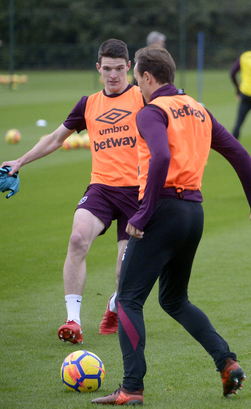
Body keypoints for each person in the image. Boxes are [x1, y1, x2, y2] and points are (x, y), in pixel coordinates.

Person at [92, 46, 251, 405]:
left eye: (136, 80)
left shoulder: (151, 112)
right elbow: (239, 153)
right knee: (174, 299)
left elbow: (160, 156)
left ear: (147, 77)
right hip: (193, 213)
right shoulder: (197, 109)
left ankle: (131, 387)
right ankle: (227, 363)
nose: (136, 87)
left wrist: (143, 213)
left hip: (162, 211)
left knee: (129, 299)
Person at [1, 39, 144, 344]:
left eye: (119, 69)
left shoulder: (145, 98)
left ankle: (113, 303)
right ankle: (73, 320)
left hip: (138, 194)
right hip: (102, 189)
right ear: (98, 68)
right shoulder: (88, 104)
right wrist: (20, 161)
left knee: (125, 273)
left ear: (129, 67)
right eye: (107, 69)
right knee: (77, 238)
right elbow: (55, 138)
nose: (114, 75)